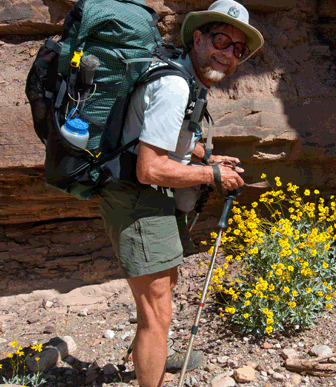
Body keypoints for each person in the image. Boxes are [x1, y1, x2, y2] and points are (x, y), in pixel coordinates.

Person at [99, 1, 264, 386]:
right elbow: (150, 167)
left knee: (165, 288)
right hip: (136, 197)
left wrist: (205, 154)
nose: (228, 53)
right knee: (159, 311)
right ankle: (150, 362)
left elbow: (167, 130)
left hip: (155, 196)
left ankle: (148, 352)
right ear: (198, 37)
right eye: (221, 40)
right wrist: (211, 174)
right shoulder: (174, 84)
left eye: (238, 49)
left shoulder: (186, 76)